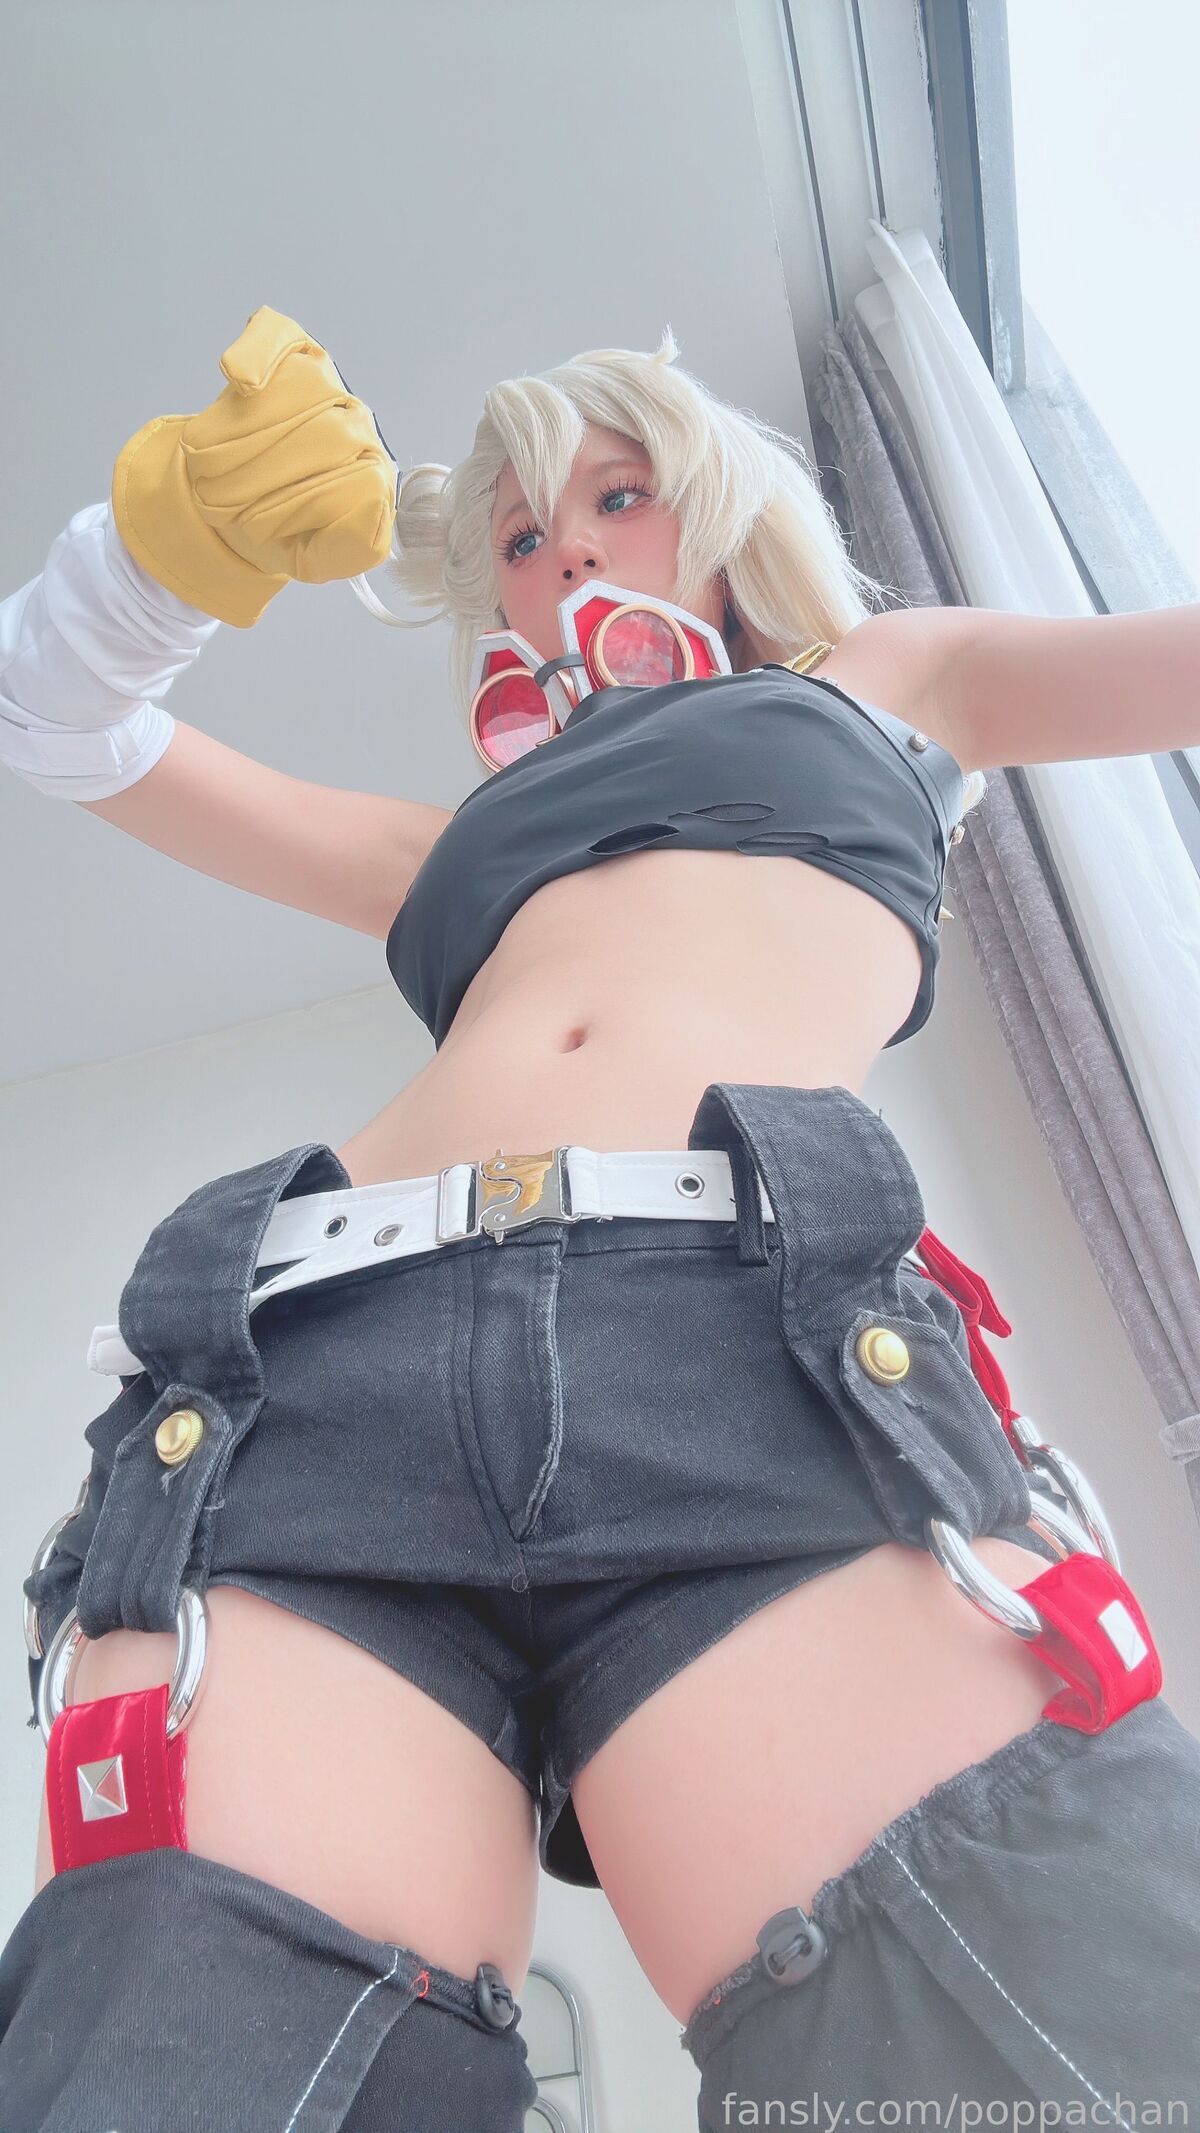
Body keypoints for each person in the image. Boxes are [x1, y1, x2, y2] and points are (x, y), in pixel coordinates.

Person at [0, 305, 1196, 2132]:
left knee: (1039, 2013)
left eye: (618, 493)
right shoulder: (458, 844)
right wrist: (158, 555)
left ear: (716, 505)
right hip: (318, 1369)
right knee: (172, 2045)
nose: (563, 546)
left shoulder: (892, 679)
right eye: (519, 530)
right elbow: (61, 724)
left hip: (748, 1339)